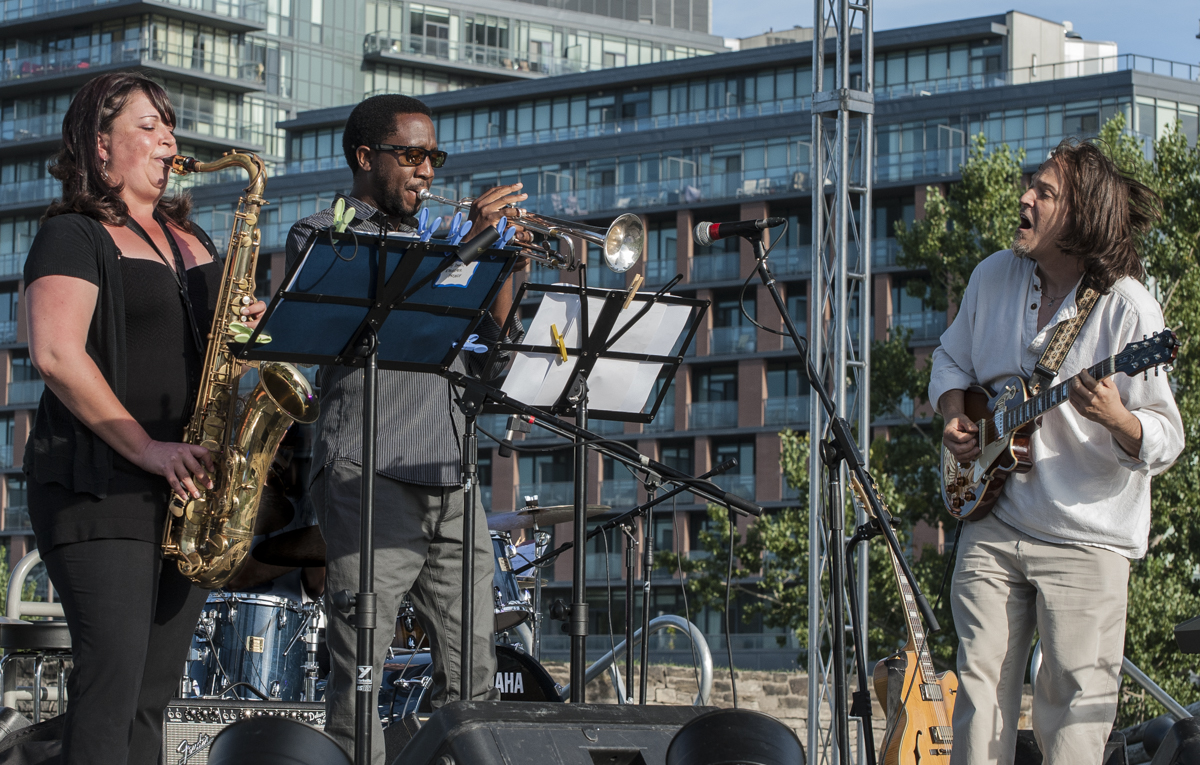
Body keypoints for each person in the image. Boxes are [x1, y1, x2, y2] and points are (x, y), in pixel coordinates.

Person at [22, 72, 264, 764]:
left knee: (152, 698)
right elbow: (56, 353)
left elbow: (219, 364)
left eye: (170, 125)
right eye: (148, 126)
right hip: (102, 484)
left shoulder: (196, 239)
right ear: (101, 147)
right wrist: (147, 447)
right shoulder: (73, 233)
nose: (169, 139)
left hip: (185, 491)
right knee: (111, 686)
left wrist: (251, 335)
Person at [285, 94, 528, 764]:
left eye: (434, 157)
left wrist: (505, 266)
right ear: (366, 157)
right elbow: (365, 321)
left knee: (474, 670)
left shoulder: (448, 245)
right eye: (411, 155)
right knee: (360, 671)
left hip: (449, 473)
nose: (426, 170)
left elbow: (490, 359)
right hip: (369, 473)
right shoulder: (322, 234)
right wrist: (473, 244)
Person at [930, 139, 1185, 764]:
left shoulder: (1129, 308)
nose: (1025, 198)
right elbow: (949, 358)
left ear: (1080, 216)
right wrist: (955, 415)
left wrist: (1120, 418)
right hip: (992, 519)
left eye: (1044, 192)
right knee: (978, 691)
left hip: (1087, 535)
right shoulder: (992, 275)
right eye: (1030, 186)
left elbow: (1167, 435)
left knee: (1073, 708)